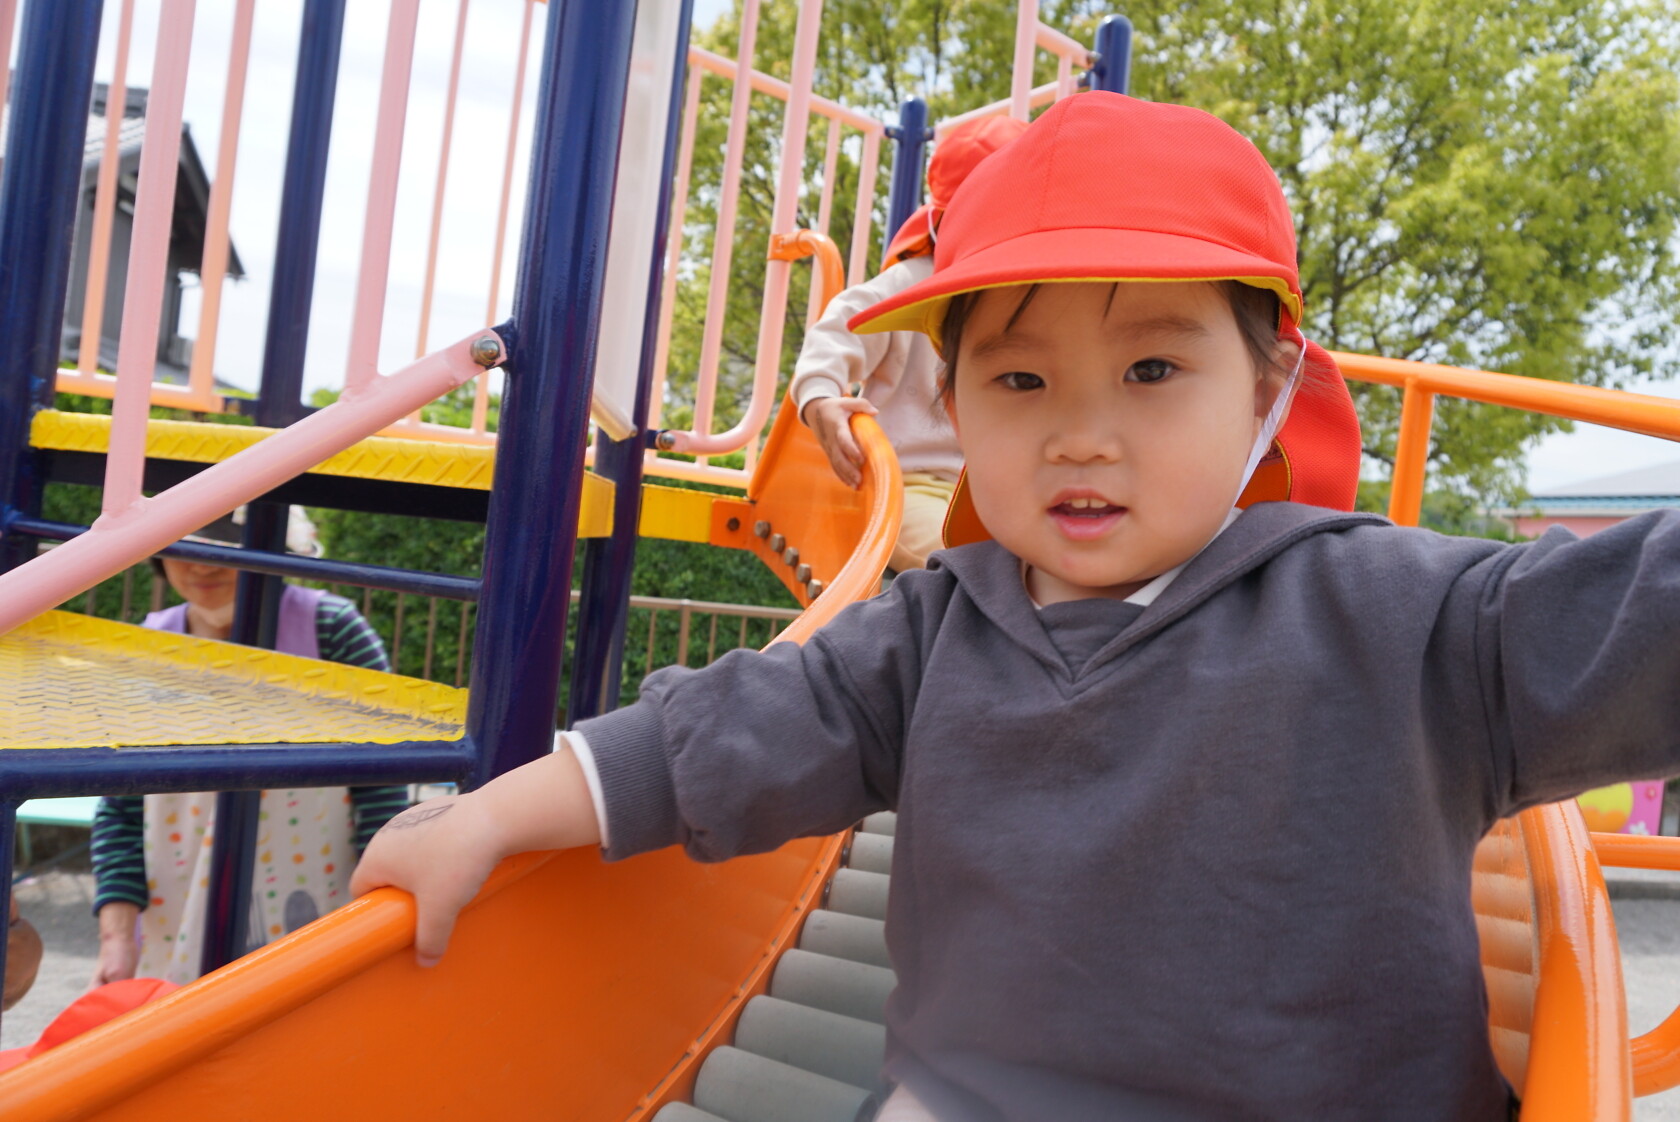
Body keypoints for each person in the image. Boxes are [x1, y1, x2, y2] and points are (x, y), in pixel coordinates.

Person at [350, 92, 1680, 1121]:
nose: (1079, 435)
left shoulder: (1405, 619)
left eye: (1152, 370)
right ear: (955, 405)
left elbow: (1627, 617)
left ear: (1269, 386)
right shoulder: (934, 636)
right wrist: (494, 812)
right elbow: (734, 725)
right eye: (1021, 381)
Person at [91, 508, 410, 987]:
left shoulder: (330, 629)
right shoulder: (147, 645)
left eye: (226, 549)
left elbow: (382, 786)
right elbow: (120, 806)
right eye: (182, 546)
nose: (200, 565)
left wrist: (377, 914)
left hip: (317, 902)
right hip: (177, 914)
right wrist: (116, 937)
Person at [792, 115, 1027, 572]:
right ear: (945, 222)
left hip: (994, 492)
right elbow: (840, 328)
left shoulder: (1028, 297)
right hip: (906, 484)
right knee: (964, 562)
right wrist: (820, 396)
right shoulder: (915, 280)